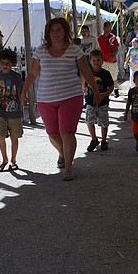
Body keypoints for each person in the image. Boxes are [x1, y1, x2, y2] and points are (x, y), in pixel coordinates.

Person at [20, 17, 101, 181]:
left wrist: (96, 90)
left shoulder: (74, 50)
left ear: (65, 32)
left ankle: (69, 168)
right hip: (45, 98)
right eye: (52, 31)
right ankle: (63, 154)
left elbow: (85, 71)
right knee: (52, 134)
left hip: (71, 96)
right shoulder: (40, 51)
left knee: (67, 132)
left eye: (59, 30)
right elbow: (33, 73)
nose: (55, 33)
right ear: (48, 34)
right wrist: (24, 92)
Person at [0, 48, 24, 171]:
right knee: (0, 136)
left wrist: (23, 104)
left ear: (12, 63)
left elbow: (21, 93)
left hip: (15, 113)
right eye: (2, 62)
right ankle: (4, 158)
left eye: (8, 62)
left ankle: (13, 160)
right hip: (0, 112)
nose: (5, 65)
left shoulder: (17, 77)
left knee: (14, 137)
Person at [83, 49, 115, 152]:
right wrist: (85, 90)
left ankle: (104, 140)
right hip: (90, 102)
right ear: (90, 61)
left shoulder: (105, 74)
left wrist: (105, 94)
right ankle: (94, 139)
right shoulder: (87, 73)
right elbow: (83, 85)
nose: (96, 63)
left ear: (102, 61)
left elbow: (111, 86)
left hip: (103, 102)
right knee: (89, 121)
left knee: (104, 122)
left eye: (98, 60)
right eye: (94, 60)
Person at [97, 21, 121, 97]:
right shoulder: (99, 38)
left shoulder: (113, 37)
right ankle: (105, 91)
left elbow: (116, 47)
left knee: (114, 76)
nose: (109, 29)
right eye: (108, 27)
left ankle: (116, 89)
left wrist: (113, 56)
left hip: (112, 61)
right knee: (103, 76)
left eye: (110, 27)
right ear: (104, 28)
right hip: (103, 61)